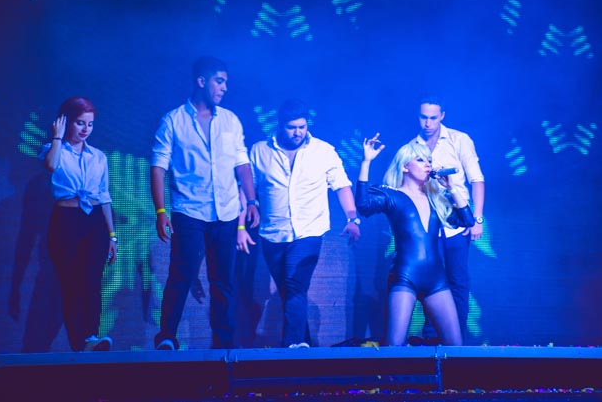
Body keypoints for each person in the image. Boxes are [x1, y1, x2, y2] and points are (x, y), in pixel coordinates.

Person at [151, 56, 259, 350]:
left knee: (223, 282)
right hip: (189, 211)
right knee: (181, 275)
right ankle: (167, 338)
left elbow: (242, 163)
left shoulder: (230, 120)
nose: (224, 88)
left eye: (226, 82)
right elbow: (158, 167)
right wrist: (160, 211)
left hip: (226, 213)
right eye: (219, 81)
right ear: (201, 81)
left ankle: (224, 346)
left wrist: (251, 200)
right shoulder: (173, 120)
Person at [243, 98, 360, 348]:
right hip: (272, 233)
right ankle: (304, 345)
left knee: (295, 284)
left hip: (309, 232)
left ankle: (292, 346)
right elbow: (247, 189)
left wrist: (352, 218)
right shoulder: (259, 151)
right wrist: (241, 224)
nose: (298, 133)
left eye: (302, 127)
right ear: (280, 125)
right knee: (289, 291)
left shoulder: (323, 151)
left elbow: (342, 185)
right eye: (292, 127)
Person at [355, 135, 475, 346]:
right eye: (420, 160)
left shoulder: (436, 198)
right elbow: (363, 205)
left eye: (429, 160)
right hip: (405, 276)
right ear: (405, 167)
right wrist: (366, 162)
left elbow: (467, 220)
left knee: (455, 345)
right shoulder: (392, 195)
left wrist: (451, 187)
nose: (427, 164)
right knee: (394, 344)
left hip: (437, 280)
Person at [41, 96, 116, 352]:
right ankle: (78, 345)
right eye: (80, 123)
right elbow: (50, 165)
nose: (85, 129)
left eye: (90, 124)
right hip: (66, 220)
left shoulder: (99, 157)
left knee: (92, 282)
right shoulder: (54, 149)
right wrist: (57, 137)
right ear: (65, 122)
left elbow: (104, 196)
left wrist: (112, 235)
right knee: (71, 285)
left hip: (94, 222)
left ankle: (91, 337)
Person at [411, 96, 485, 344]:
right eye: (424, 117)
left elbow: (477, 179)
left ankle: (456, 343)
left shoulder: (459, 139)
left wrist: (476, 219)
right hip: (426, 226)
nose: (428, 123)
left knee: (457, 282)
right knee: (430, 280)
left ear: (442, 116)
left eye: (433, 118)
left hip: (457, 223)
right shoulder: (412, 147)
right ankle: (432, 338)